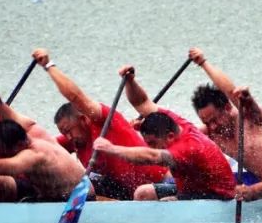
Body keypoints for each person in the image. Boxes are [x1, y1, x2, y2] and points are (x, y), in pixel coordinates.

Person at [33, 49, 168, 200]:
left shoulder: (103, 121)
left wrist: (48, 66)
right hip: (128, 192)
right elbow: (39, 148)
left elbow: (77, 98)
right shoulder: (75, 140)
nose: (68, 137)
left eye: (69, 131)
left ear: (83, 119)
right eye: (64, 134)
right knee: (74, 182)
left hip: (160, 183)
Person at [92, 66, 235, 200]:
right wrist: (130, 81)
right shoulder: (177, 124)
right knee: (146, 192)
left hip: (216, 197)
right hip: (193, 189)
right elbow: (142, 103)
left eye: (153, 143)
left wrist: (111, 148)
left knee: (142, 193)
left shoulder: (187, 147)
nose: (152, 148)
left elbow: (151, 156)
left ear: (170, 136)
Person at [186, 48, 262, 184]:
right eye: (207, 123)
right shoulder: (210, 133)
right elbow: (178, 134)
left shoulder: (248, 116)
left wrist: (203, 63)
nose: (213, 126)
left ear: (227, 108)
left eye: (215, 120)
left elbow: (231, 91)